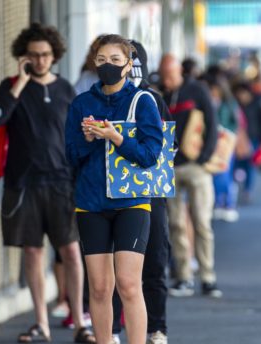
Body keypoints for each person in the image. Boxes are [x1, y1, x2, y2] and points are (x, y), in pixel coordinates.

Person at [0, 23, 94, 343]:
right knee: (32, 253)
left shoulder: (65, 89)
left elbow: (79, 133)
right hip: (24, 184)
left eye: (45, 54)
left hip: (62, 182)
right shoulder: (12, 87)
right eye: (33, 55)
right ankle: (41, 324)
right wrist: (20, 82)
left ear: (55, 55)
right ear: (24, 57)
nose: (40, 60)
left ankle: (80, 322)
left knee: (72, 252)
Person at [65, 34, 163, 344]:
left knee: (129, 284)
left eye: (116, 60)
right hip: (91, 203)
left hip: (132, 202)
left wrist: (117, 137)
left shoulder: (143, 101)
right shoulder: (81, 104)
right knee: (99, 287)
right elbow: (70, 155)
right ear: (94, 62)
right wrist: (88, 139)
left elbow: (150, 155)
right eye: (102, 60)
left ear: (128, 64)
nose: (109, 66)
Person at [110, 40, 172, 344]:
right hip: (114, 193)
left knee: (155, 259)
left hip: (151, 192)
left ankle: (156, 328)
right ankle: (111, 329)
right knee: (115, 266)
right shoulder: (102, 100)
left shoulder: (154, 100)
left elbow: (166, 148)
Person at [158, 54, 222, 298]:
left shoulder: (196, 90)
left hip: (196, 166)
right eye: (164, 76)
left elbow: (212, 122)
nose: (168, 80)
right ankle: (183, 276)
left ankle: (207, 276)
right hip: (170, 167)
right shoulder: (159, 95)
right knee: (175, 223)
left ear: (180, 72)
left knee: (201, 221)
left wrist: (205, 157)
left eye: (171, 75)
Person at [201, 69, 240, 223]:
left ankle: (229, 205)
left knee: (224, 174)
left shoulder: (229, 103)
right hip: (213, 141)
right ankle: (218, 204)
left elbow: (235, 123)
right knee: (215, 173)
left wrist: (228, 133)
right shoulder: (211, 102)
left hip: (225, 143)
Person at [232, 82, 261, 203]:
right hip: (237, 140)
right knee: (236, 165)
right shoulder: (236, 105)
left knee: (250, 166)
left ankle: (248, 191)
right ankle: (235, 189)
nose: (241, 96)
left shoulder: (257, 103)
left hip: (253, 139)